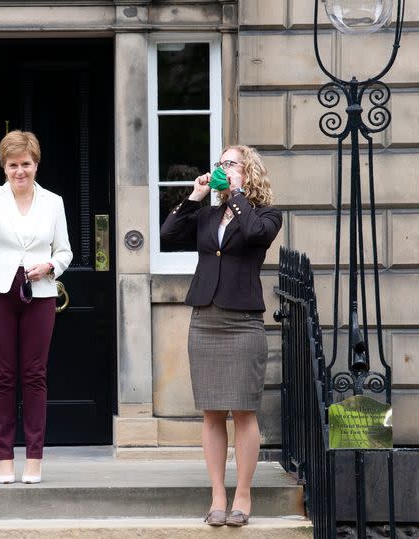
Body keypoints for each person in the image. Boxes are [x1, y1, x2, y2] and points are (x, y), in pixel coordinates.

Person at [160, 146, 282, 528]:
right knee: (212, 411)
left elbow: (254, 235)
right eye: (219, 164)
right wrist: (195, 196)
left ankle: (243, 496)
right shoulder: (208, 213)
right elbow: (168, 233)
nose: (221, 168)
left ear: (248, 172)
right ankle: (217, 495)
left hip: (243, 321)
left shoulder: (266, 215)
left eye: (229, 164)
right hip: (206, 318)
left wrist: (237, 195)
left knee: (243, 411)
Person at [0, 130, 72, 484]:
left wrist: (50, 266)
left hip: (40, 293)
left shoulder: (53, 201)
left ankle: (34, 457)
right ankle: (4, 458)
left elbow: (64, 250)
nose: (20, 171)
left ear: (36, 164)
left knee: (35, 375)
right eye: (12, 165)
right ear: (3, 167)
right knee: (2, 376)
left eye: (26, 164)